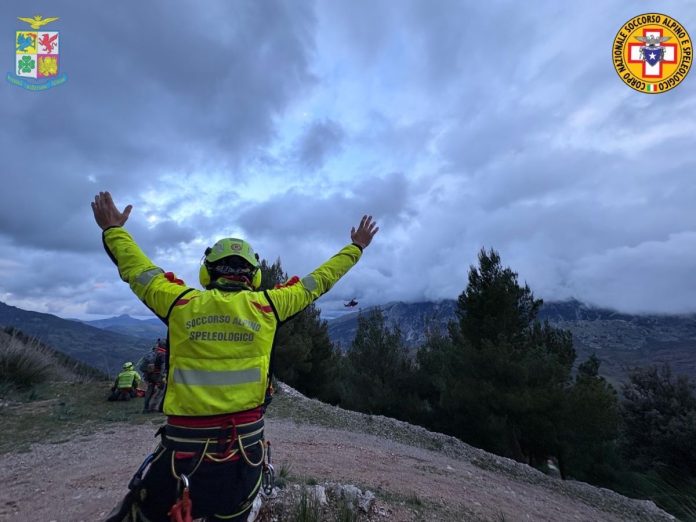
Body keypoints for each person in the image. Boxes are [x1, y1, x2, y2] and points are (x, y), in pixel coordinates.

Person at [92, 191, 378, 522]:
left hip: (180, 458)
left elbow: (137, 269)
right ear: (254, 276)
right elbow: (319, 281)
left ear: (207, 273)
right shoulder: (269, 307)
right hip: (243, 458)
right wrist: (356, 248)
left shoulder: (178, 303)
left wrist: (113, 230)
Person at [139, 339, 168, 413]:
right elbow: (163, 367)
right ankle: (156, 407)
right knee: (162, 390)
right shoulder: (163, 354)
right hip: (157, 375)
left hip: (147, 375)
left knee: (149, 390)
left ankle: (146, 408)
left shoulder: (152, 353)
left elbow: (142, 367)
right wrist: (162, 377)